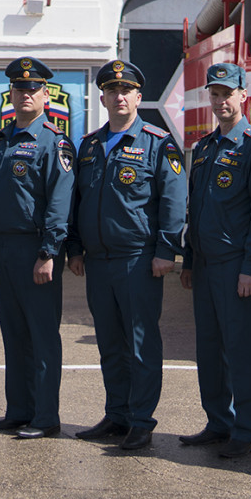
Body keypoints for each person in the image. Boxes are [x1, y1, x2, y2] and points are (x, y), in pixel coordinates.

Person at [66, 60, 187, 451]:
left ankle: (141, 420)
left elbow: (173, 201)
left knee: (140, 344)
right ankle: (116, 413)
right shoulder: (90, 145)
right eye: (112, 90)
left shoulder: (157, 142)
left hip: (138, 259)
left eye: (127, 90)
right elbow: (77, 201)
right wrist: (75, 249)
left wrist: (167, 250)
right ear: (102, 97)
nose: (119, 96)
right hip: (99, 261)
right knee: (110, 344)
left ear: (138, 96)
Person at [179, 62, 251, 458]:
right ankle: (217, 421)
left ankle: (246, 428)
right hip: (204, 266)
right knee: (210, 348)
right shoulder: (203, 149)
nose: (220, 101)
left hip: (237, 267)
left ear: (243, 96)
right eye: (214, 94)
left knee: (240, 350)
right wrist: (188, 261)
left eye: (227, 94)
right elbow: (195, 209)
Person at [0, 56, 75, 439]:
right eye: (19, 88)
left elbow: (59, 202)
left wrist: (49, 252)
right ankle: (18, 410)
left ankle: (45, 416)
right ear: (11, 94)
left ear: (45, 94)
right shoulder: (0, 140)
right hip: (3, 250)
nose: (25, 94)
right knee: (14, 335)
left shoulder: (54, 142)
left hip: (36, 250)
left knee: (42, 337)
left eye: (33, 88)